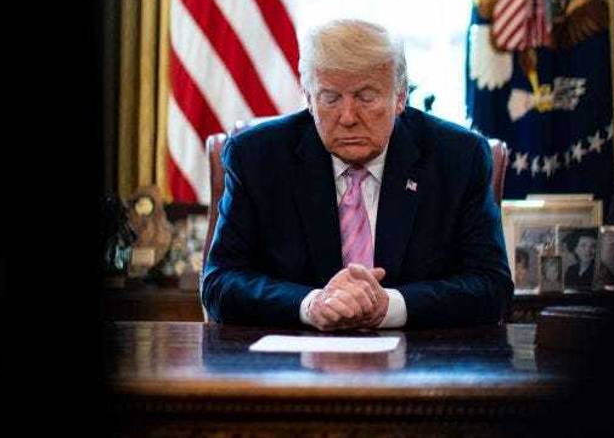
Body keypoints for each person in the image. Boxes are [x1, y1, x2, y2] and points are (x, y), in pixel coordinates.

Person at [202, 19, 513, 329]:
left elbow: (491, 287)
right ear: (309, 99)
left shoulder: (458, 157)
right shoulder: (257, 157)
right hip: (292, 365)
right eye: (331, 98)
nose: (348, 117)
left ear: (400, 97)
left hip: (420, 364)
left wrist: (390, 306)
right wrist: (311, 305)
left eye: (366, 97)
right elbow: (219, 283)